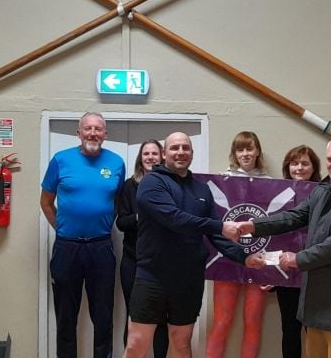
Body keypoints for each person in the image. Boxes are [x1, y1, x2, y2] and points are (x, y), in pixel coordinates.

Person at [123, 132, 265, 358]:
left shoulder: (202, 189)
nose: (180, 152)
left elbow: (214, 235)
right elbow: (175, 219)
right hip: (152, 276)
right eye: (174, 148)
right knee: (136, 343)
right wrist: (220, 226)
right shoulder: (151, 183)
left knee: (181, 342)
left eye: (185, 148)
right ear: (163, 153)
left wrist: (244, 257)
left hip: (189, 279)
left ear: (192, 153)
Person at [238, 136, 331, 358]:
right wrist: (252, 226)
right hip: (315, 298)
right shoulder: (325, 187)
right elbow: (295, 216)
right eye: (330, 159)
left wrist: (298, 259)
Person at [40, 112, 125, 358]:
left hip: (101, 248)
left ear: (105, 135)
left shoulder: (116, 162)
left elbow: (117, 201)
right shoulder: (60, 160)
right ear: (78, 133)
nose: (93, 133)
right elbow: (46, 202)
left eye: (98, 129)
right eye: (88, 128)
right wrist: (63, 228)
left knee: (103, 316)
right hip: (67, 248)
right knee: (66, 316)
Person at [207, 131, 271, 358]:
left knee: (253, 323)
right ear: (234, 153)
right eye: (240, 149)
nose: (245, 153)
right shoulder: (221, 181)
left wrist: (274, 271)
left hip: (258, 261)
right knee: (222, 322)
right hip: (226, 261)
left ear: (257, 151)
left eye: (249, 148)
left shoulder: (271, 185)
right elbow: (212, 223)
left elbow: (277, 229)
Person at [114, 139, 168, 357]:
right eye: (146, 153)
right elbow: (121, 222)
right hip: (133, 261)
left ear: (162, 156)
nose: (150, 157)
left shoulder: (170, 184)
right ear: (140, 157)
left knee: (161, 318)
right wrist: (142, 216)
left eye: (155, 153)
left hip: (162, 263)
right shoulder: (129, 186)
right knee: (134, 316)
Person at [274, 145, 322, 358]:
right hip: (286, 274)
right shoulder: (274, 194)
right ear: (287, 167)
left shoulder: (326, 193)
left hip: (316, 274)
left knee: (315, 333)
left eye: (305, 163)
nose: (299, 168)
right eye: (295, 163)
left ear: (314, 167)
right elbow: (271, 235)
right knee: (290, 331)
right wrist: (268, 274)